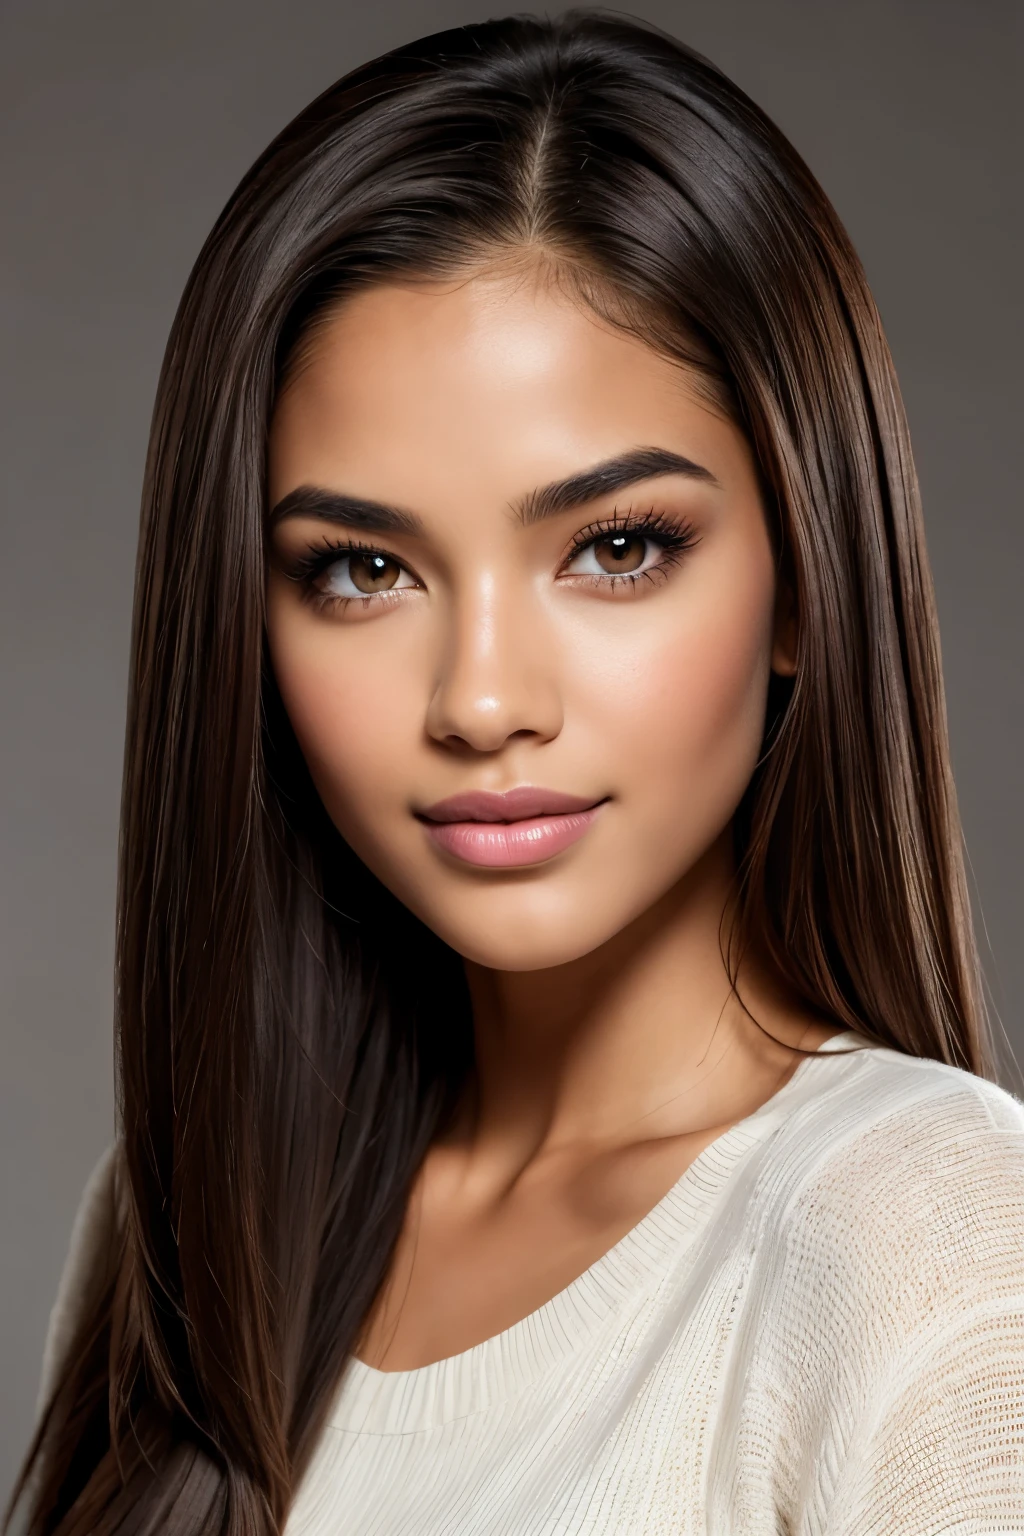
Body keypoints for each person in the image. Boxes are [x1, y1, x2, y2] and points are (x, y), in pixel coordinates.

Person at [10, 10, 1024, 1534]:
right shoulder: (184, 1226)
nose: (482, 700)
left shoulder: (927, 1244)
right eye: (362, 567)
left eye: (617, 550)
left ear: (809, 583)